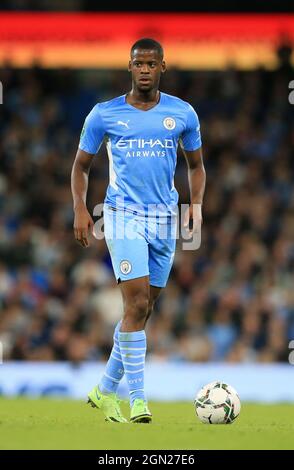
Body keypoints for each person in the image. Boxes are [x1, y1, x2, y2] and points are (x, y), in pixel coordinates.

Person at [71, 38, 206, 423]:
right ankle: (139, 401)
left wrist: (195, 204)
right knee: (137, 304)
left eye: (151, 63)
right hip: (122, 214)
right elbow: (80, 166)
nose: (144, 69)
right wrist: (81, 209)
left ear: (163, 67)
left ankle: (103, 390)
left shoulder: (183, 114)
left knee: (142, 311)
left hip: (165, 221)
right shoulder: (104, 114)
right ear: (129, 67)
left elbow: (196, 165)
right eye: (138, 63)